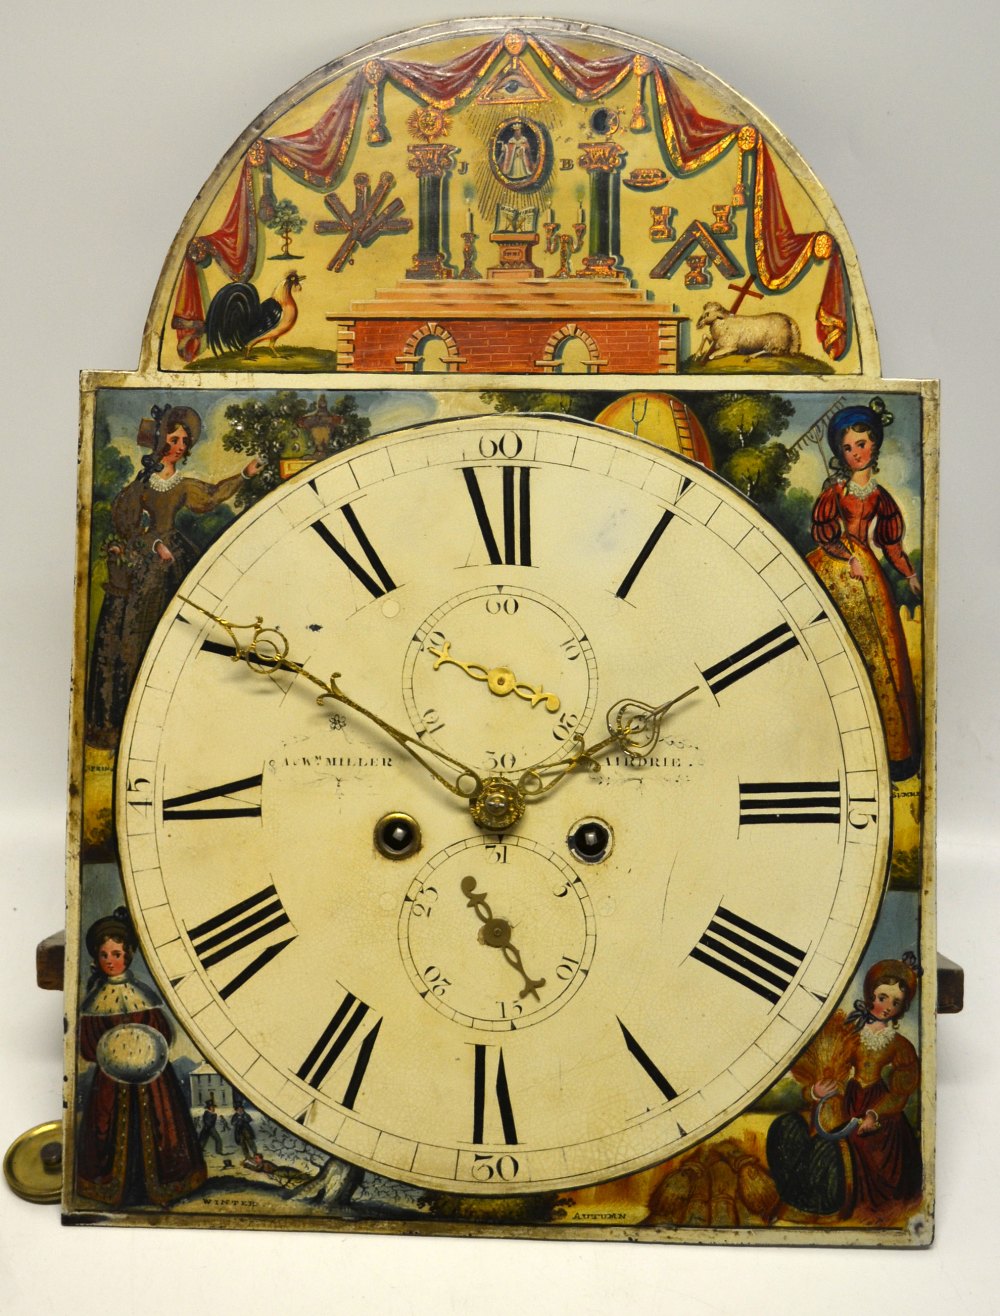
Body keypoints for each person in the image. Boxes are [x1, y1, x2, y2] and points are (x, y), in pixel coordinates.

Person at [85, 404, 262, 747]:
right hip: (146, 566)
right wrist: (152, 546)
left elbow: (212, 497)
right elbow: (125, 526)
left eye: (185, 440)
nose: (181, 445)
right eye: (175, 438)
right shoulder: (141, 485)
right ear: (161, 440)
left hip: (174, 561)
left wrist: (244, 474)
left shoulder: (182, 485)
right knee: (135, 637)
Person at [807, 399, 921, 779]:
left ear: (875, 444)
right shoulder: (835, 493)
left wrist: (908, 575)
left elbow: (891, 545)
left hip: (869, 574)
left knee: (882, 657)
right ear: (840, 453)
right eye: (848, 447)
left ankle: (892, 754)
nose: (855, 452)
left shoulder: (881, 497)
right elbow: (824, 534)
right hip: (837, 568)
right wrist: (846, 557)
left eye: (862, 444)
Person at [767, 953, 922, 1222]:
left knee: (841, 1152)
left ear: (902, 1007)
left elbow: (900, 1092)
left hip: (879, 1111)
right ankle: (798, 1197)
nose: (887, 1006)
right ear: (871, 994)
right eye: (882, 997)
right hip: (846, 1099)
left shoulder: (900, 1045)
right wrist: (816, 1091)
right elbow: (827, 1068)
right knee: (790, 1130)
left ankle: (821, 1201)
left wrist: (874, 1114)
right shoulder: (847, 1033)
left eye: (895, 1002)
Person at [76, 908, 206, 1207]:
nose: (110, 960)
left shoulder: (141, 992)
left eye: (117, 953)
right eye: (104, 954)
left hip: (152, 1076)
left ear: (128, 955)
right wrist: (111, 1048)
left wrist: (140, 1045)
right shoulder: (94, 998)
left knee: (161, 1124)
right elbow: (86, 1044)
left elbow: (162, 1033)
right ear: (96, 957)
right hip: (110, 1078)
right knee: (107, 1127)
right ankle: (119, 1190)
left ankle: (160, 1188)